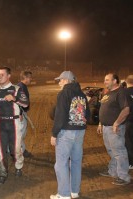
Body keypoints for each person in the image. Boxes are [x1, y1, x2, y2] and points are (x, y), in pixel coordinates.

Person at [50, 71, 89, 199]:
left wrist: (54, 134)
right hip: (80, 131)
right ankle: (74, 191)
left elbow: (59, 116)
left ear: (66, 80)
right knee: (76, 162)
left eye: (60, 80)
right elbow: (86, 114)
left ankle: (63, 194)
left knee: (61, 163)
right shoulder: (82, 94)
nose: (59, 82)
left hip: (66, 132)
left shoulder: (63, 93)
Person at [0, 66, 29, 185]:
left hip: (14, 123)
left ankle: (18, 166)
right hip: (1, 124)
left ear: (9, 76)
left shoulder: (16, 89)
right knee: (1, 150)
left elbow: (26, 103)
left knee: (15, 150)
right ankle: (2, 173)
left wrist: (14, 98)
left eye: (2, 74)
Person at [97, 73, 131, 186]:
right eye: (104, 80)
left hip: (115, 128)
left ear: (115, 81)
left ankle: (124, 177)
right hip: (106, 128)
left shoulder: (121, 92)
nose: (105, 82)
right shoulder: (109, 93)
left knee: (119, 152)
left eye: (107, 80)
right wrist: (100, 123)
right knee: (111, 151)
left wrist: (116, 123)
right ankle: (112, 171)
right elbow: (105, 109)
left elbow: (126, 109)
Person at [17, 71, 33, 157]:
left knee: (21, 133)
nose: (31, 79)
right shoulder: (21, 87)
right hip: (21, 113)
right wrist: (19, 113)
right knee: (21, 133)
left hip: (22, 112)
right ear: (25, 78)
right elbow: (18, 101)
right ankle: (20, 151)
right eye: (30, 77)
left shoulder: (22, 86)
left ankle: (19, 150)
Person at [124, 75, 133, 169]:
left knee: (128, 142)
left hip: (128, 121)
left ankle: (131, 163)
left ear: (126, 82)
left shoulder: (124, 92)